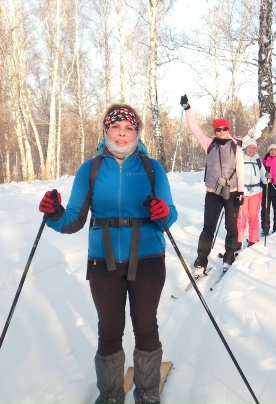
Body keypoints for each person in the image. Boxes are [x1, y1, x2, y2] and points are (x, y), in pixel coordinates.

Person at [38, 104, 178, 404]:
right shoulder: (91, 169)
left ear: (137, 133)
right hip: (103, 261)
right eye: (116, 127)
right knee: (110, 329)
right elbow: (74, 219)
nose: (122, 134)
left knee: (146, 326)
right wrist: (55, 213)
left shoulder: (152, 168)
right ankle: (111, 395)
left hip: (148, 259)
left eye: (129, 128)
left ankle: (148, 392)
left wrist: (163, 212)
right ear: (106, 131)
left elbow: (170, 213)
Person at [180, 94, 245, 273]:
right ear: (214, 130)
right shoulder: (209, 144)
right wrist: (187, 109)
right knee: (208, 228)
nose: (221, 131)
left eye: (224, 128)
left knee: (231, 227)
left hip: (232, 192)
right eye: (218, 129)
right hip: (213, 192)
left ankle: (229, 255)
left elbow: (240, 170)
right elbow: (195, 129)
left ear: (228, 129)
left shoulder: (236, 147)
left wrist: (241, 192)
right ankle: (201, 260)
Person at [238, 138, 266, 247]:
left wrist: (267, 177)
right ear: (246, 148)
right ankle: (238, 241)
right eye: (250, 147)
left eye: (254, 148)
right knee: (242, 217)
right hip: (243, 192)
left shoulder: (258, 161)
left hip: (256, 192)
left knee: (254, 217)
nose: (252, 150)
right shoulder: (240, 158)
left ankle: (253, 240)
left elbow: (263, 175)